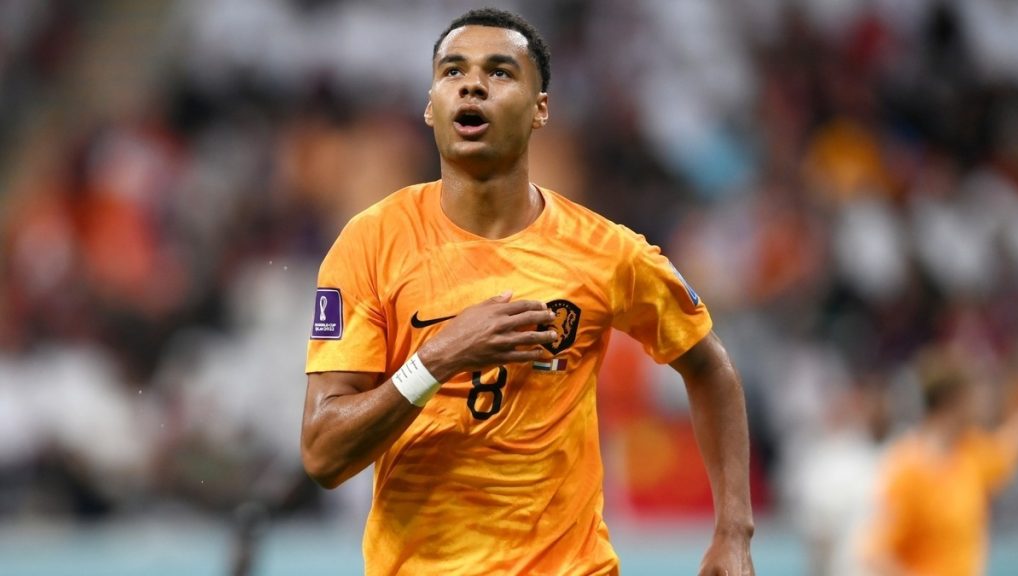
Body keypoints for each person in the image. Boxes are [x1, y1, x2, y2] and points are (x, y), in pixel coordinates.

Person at [301, 8, 755, 575]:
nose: (472, 84)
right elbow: (323, 453)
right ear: (431, 105)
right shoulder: (370, 244)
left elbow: (710, 368)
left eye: (499, 72)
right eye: (452, 71)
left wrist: (733, 531)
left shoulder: (606, 251)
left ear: (540, 109)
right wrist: (437, 360)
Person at [861, 351, 1018, 576]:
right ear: (954, 401)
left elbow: (1009, 446)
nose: (985, 403)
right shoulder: (908, 467)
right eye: (976, 396)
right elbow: (875, 555)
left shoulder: (971, 453)